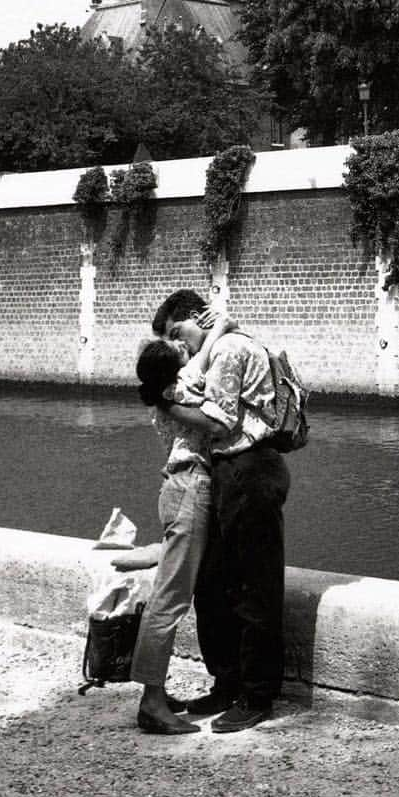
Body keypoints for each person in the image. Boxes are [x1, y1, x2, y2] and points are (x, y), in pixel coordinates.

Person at [151, 288, 290, 733]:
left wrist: (166, 403)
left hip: (250, 467)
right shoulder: (217, 346)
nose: (180, 345)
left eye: (179, 333)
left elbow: (219, 420)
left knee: (254, 583)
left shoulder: (230, 348)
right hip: (227, 470)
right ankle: (227, 682)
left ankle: (257, 693)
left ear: (195, 317)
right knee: (215, 583)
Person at [126, 308, 233, 735]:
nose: (185, 349)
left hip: (176, 488)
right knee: (169, 600)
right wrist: (221, 327)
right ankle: (152, 702)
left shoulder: (163, 394)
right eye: (177, 350)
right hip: (190, 487)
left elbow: (194, 360)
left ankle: (153, 694)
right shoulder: (180, 388)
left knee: (166, 596)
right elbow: (203, 358)